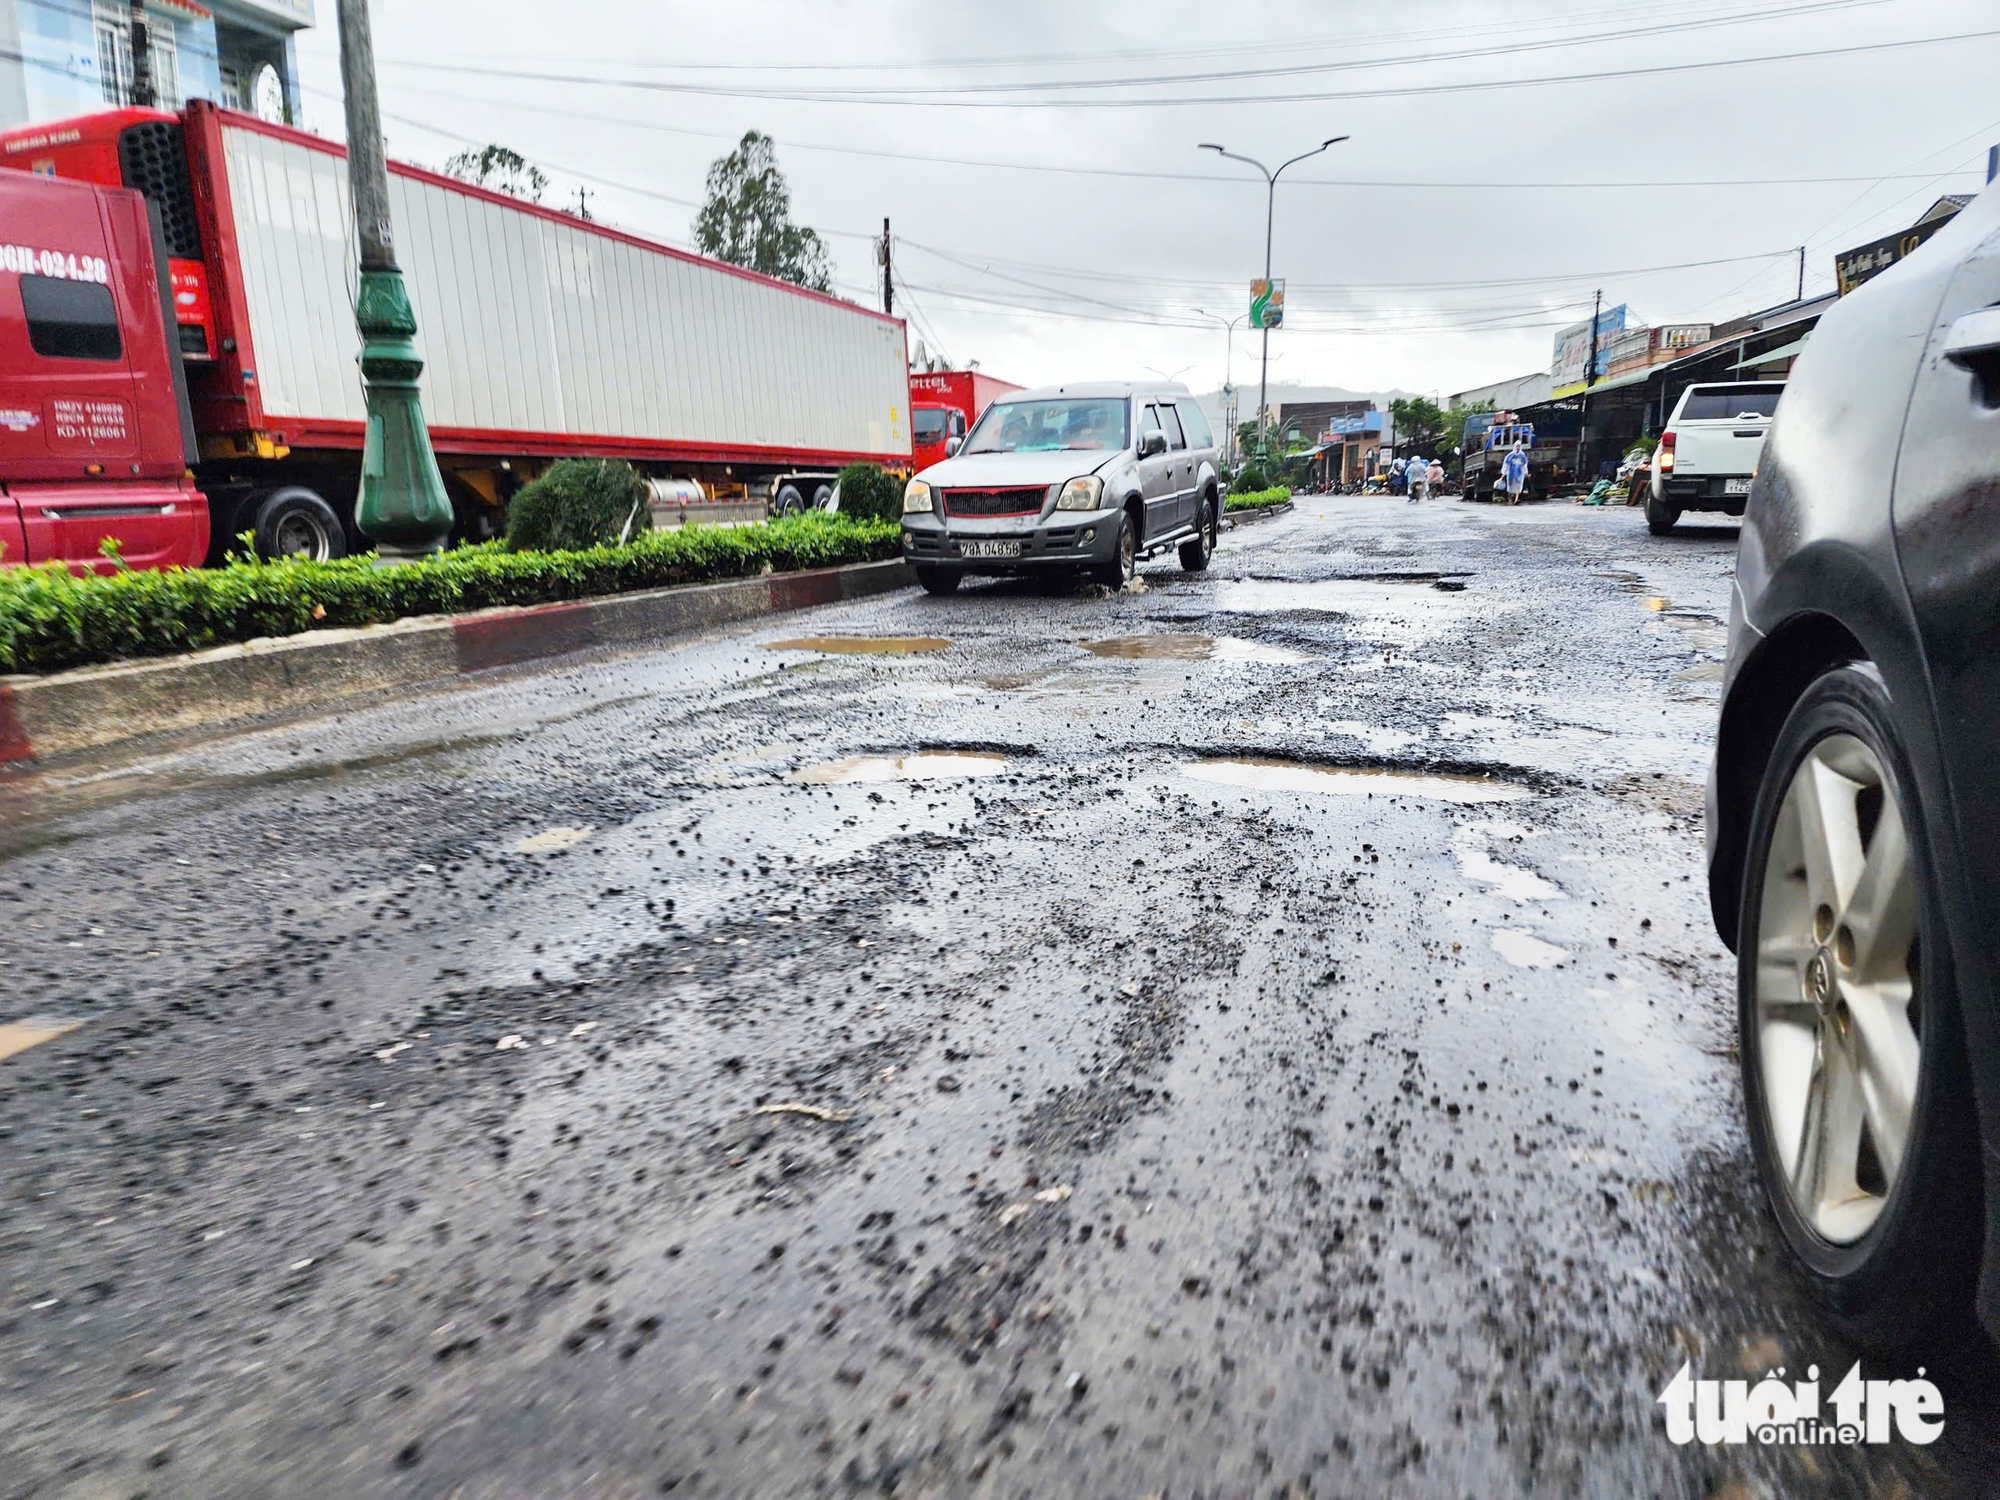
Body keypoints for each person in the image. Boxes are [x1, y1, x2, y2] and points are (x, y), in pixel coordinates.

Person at [1501, 440, 1530, 504]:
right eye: (1517, 446)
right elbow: (1507, 465)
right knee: (1510, 486)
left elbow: (1524, 465)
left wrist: (1526, 473)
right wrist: (1503, 474)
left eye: (1519, 446)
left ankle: (1516, 499)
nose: (1518, 447)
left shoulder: (1522, 455)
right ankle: (1510, 499)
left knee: (1518, 486)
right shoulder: (1510, 455)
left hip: (1519, 474)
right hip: (1511, 473)